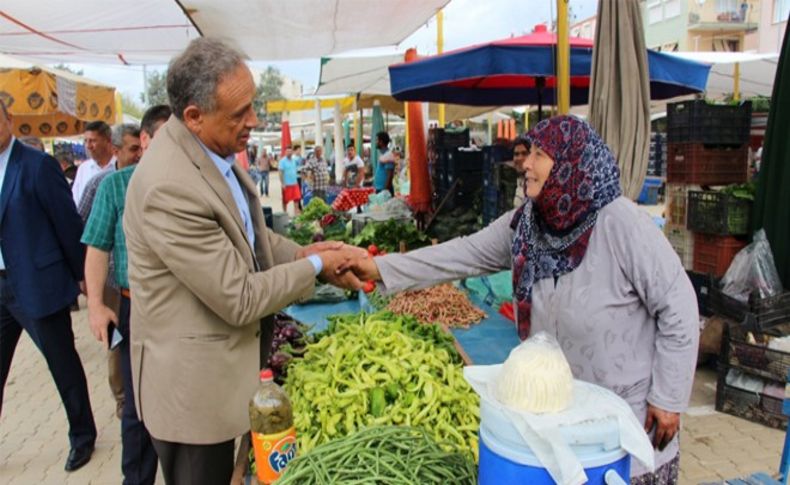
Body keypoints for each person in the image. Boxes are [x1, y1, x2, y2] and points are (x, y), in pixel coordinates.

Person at [347, 116, 699, 484]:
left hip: (627, 426)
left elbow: (679, 306)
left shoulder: (621, 223)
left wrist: (669, 398)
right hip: (560, 422)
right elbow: (461, 254)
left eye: (539, 153)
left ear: (569, 163)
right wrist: (378, 268)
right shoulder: (528, 225)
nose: (526, 163)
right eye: (528, 151)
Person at [122, 38, 363, 485]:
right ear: (193, 116)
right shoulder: (168, 187)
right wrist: (314, 269)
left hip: (227, 376)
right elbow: (239, 296)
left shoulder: (211, 153)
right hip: (193, 398)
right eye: (239, 114)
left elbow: (250, 236)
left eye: (252, 106)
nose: (253, 121)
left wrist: (306, 253)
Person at [0, 100, 97, 472]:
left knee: (63, 365)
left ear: (9, 120)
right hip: (2, 286)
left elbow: (68, 225)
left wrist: (85, 278)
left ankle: (82, 436)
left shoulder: (37, 166)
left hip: (38, 286)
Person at [82, 105, 170, 485]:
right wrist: (98, 307)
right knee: (136, 406)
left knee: (182, 401)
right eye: (165, 138)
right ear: (146, 140)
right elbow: (97, 247)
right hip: (135, 307)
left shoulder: (192, 183)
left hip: (185, 311)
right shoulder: (114, 186)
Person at [77, 123, 143, 420]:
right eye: (133, 149)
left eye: (141, 147)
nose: (139, 154)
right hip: (113, 285)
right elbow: (86, 231)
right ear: (116, 151)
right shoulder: (104, 184)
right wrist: (93, 297)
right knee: (119, 349)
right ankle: (123, 400)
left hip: (142, 289)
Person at [71, 121, 116, 206]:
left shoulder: (120, 165)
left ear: (108, 141)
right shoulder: (83, 169)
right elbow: (75, 201)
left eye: (93, 141)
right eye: (86, 141)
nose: (88, 146)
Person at [279, 145, 301, 214]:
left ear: (292, 152)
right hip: (287, 184)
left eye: (290, 151)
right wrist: (283, 183)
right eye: (288, 151)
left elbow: (296, 170)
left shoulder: (294, 161)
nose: (289, 152)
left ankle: (296, 214)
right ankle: (285, 213)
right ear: (285, 152)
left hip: (295, 184)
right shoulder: (282, 161)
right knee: (285, 201)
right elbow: (280, 173)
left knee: (297, 199)